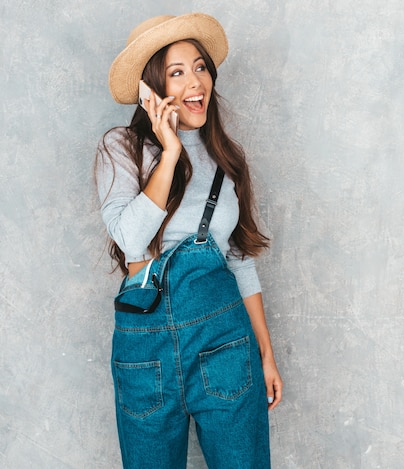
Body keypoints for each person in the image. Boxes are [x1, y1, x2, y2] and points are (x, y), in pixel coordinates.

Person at [95, 13, 282, 468]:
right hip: (146, 351)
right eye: (176, 73)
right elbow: (130, 239)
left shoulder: (226, 158)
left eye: (200, 67)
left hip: (225, 341)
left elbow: (239, 260)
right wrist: (170, 153)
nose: (195, 82)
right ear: (150, 89)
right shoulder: (121, 148)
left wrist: (266, 354)